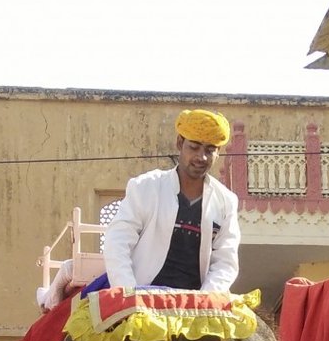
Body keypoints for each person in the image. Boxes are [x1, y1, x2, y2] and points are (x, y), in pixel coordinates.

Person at [101, 109, 240, 292]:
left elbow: (225, 261)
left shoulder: (226, 201)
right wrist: (129, 295)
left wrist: (205, 302)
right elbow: (117, 242)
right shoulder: (145, 187)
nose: (201, 157)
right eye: (194, 147)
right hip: (143, 296)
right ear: (180, 143)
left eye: (210, 150)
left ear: (218, 153)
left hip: (195, 305)